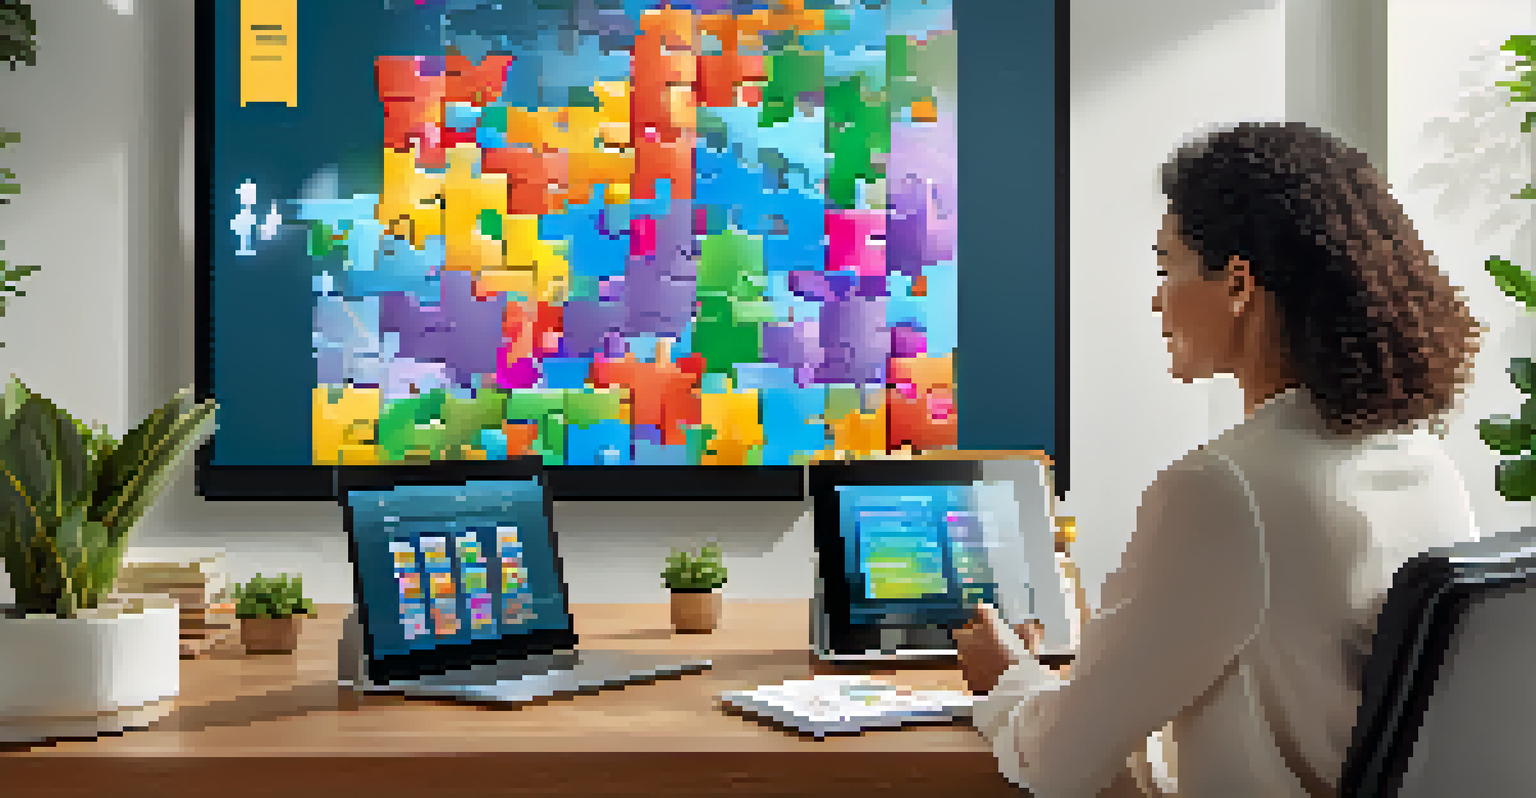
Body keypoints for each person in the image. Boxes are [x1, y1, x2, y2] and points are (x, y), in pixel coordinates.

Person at [953, 122, 1484, 797]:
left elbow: (1060, 764)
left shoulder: (1222, 492)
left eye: (1165, 267)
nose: (1156, 299)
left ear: (1237, 282)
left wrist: (1009, 679)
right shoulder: (1426, 461)